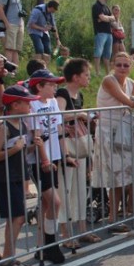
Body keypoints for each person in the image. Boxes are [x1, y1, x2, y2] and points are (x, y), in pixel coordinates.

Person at [92, 52, 134, 234]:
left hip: (123, 134)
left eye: (126, 65)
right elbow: (128, 102)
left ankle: (130, 207)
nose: (122, 68)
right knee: (116, 179)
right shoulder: (109, 80)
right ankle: (113, 219)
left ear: (130, 67)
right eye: (119, 64)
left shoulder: (129, 82)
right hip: (108, 134)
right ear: (113, 65)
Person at [28, 69, 73, 264]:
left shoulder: (54, 102)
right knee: (54, 203)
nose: (56, 87)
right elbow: (37, 137)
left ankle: (41, 247)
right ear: (39, 86)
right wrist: (45, 160)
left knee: (47, 205)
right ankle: (51, 244)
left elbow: (59, 131)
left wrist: (66, 155)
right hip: (39, 160)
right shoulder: (32, 104)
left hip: (53, 157)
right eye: (51, 84)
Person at [0, 85, 41, 266]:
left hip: (17, 174)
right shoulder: (5, 126)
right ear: (14, 105)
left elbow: (20, 149)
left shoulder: (21, 123)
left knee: (17, 217)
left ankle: (9, 256)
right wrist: (16, 148)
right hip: (5, 177)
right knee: (18, 217)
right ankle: (8, 258)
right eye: (26, 102)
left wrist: (31, 147)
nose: (30, 104)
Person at [55, 58, 100, 248]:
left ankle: (82, 230)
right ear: (75, 77)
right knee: (66, 191)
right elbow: (56, 116)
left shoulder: (78, 95)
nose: (89, 78)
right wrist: (80, 115)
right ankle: (66, 235)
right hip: (66, 147)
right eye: (86, 75)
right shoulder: (62, 93)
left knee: (81, 189)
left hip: (79, 147)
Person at [0, 0, 27, 66]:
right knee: (9, 48)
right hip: (11, 24)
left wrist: (22, 24)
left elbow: (19, 11)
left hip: (19, 25)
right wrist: (7, 23)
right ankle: (8, 71)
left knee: (16, 49)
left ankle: (14, 72)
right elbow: (0, 9)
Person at [27, 0, 60, 64]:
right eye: (54, 9)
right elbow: (31, 24)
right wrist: (43, 28)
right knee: (40, 49)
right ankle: (36, 68)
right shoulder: (37, 10)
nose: (55, 11)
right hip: (34, 31)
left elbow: (54, 26)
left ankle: (45, 69)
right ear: (51, 7)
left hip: (44, 32)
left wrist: (57, 39)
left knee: (48, 50)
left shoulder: (51, 13)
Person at [91, 0, 114, 76]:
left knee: (107, 54)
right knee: (98, 52)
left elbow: (112, 18)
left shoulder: (106, 7)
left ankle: (107, 73)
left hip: (109, 32)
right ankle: (97, 73)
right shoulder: (96, 6)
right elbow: (102, 18)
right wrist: (105, 18)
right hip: (100, 32)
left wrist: (105, 18)